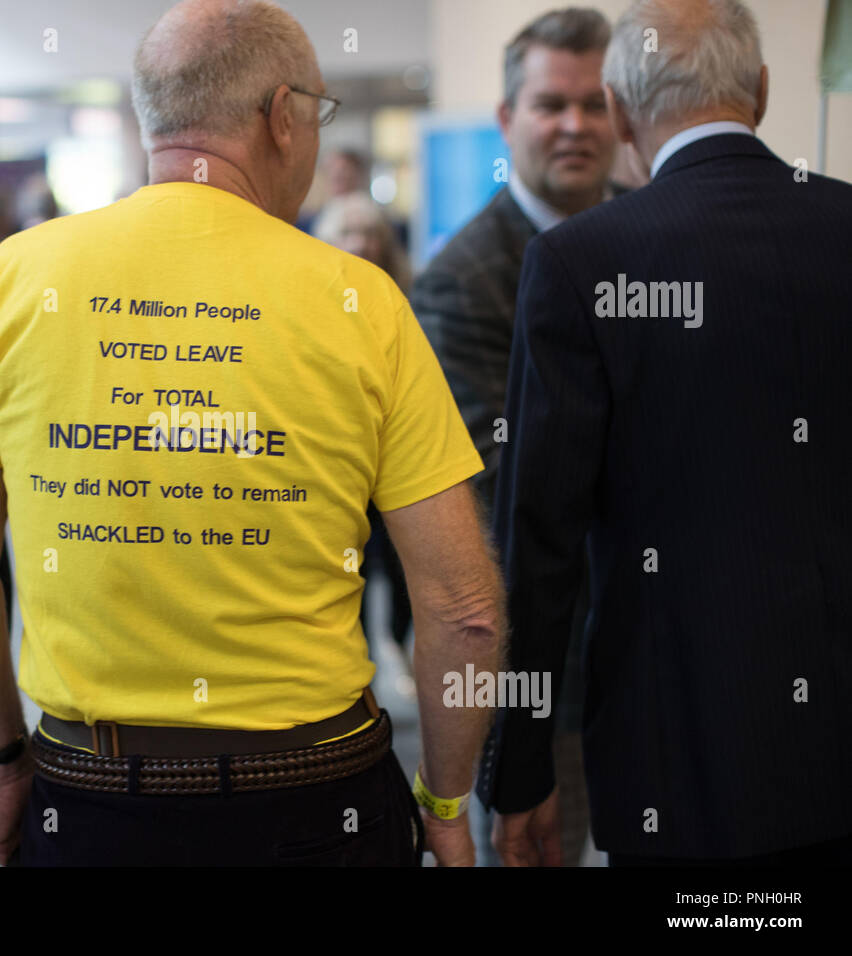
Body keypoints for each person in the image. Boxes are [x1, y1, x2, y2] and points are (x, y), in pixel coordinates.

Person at [0, 0, 505, 867]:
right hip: (315, 796)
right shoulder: (360, 300)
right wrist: (444, 803)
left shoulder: (14, 279)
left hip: (93, 798)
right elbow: (465, 612)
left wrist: (2, 760)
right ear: (281, 117)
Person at [482, 0, 852, 866]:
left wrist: (520, 771)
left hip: (682, 765)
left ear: (617, 112)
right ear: (759, 91)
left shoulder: (581, 261)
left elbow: (539, 548)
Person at [412, 5, 618, 867]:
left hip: (668, 672)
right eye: (550, 104)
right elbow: (504, 505)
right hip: (547, 688)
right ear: (507, 119)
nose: (575, 124)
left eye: (595, 102)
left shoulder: (655, 238)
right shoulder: (464, 280)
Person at [316, 191, 415, 695]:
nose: (360, 244)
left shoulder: (402, 301)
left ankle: (395, 645)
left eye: (369, 233)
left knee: (399, 567)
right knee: (343, 565)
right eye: (347, 233)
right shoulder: (308, 307)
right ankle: (358, 666)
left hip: (396, 461)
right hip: (338, 465)